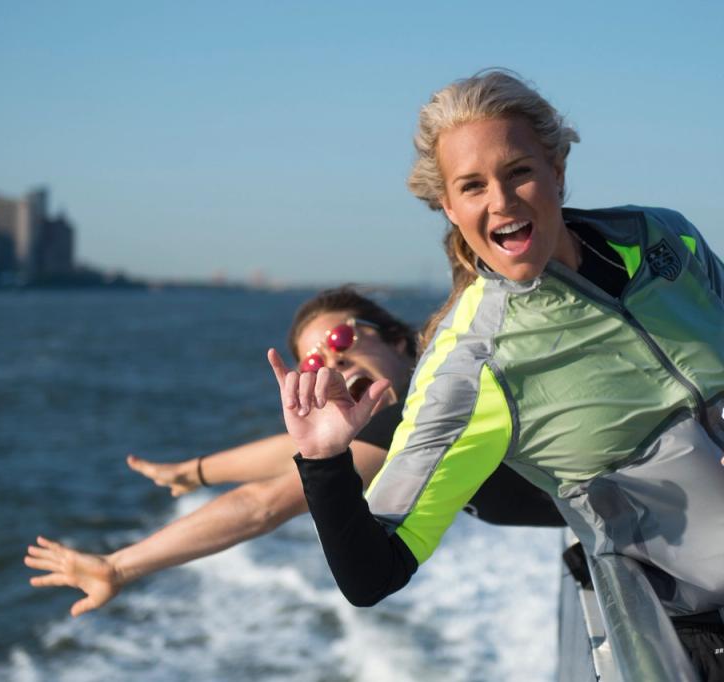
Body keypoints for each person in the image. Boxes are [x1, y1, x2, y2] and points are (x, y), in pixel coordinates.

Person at [268, 70, 724, 679]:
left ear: (557, 171)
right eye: (473, 186)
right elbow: (370, 574)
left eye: (519, 172)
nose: (502, 202)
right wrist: (324, 462)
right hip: (699, 632)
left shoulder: (663, 237)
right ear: (450, 208)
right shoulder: (472, 364)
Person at [25, 287, 563, 616]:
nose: (331, 366)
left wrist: (118, 566)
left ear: (396, 339)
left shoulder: (427, 412)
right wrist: (197, 471)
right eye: (313, 365)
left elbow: (265, 503)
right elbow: (300, 449)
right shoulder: (404, 414)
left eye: (339, 342)